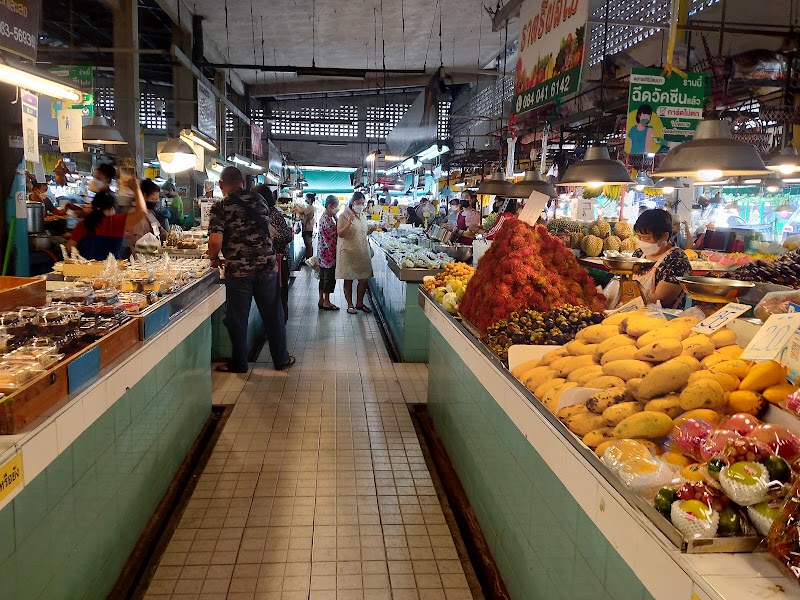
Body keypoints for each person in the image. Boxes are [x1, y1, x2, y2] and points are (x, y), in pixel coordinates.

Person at [208, 167, 295, 373]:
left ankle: (239, 364)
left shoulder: (221, 206)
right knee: (273, 314)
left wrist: (213, 258)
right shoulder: (260, 201)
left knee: (237, 318)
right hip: (267, 266)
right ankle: (281, 359)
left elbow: (215, 240)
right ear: (243, 183)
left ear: (221, 185)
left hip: (239, 271)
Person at [68, 175, 147, 260]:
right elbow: (142, 211)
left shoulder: (82, 224)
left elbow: (70, 247)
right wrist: (136, 189)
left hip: (87, 270)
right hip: (112, 271)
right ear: (111, 208)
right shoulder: (116, 222)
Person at [632, 209, 691, 308]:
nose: (641, 242)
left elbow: (659, 300)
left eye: (646, 238)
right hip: (632, 312)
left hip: (662, 318)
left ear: (664, 236)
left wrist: (628, 296)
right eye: (639, 237)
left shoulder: (677, 259)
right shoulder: (639, 253)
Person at [254, 185, 294, 322]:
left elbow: (287, 236)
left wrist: (271, 240)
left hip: (279, 260)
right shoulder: (263, 213)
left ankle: (280, 323)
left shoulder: (273, 214)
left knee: (279, 295)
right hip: (271, 261)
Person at [336, 191, 374, 314]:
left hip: (362, 252)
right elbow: (341, 234)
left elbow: (361, 232)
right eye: (359, 203)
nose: (361, 205)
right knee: (349, 279)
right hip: (348, 252)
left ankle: (359, 303)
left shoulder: (362, 215)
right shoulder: (344, 215)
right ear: (353, 202)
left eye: (363, 203)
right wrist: (349, 222)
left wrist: (370, 231)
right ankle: (350, 305)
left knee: (364, 279)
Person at [125, 178, 168, 252]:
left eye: (157, 199)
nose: (156, 202)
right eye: (153, 199)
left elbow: (159, 230)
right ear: (144, 196)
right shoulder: (134, 214)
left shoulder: (150, 212)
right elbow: (137, 243)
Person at [317, 195, 340, 311]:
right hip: (329, 255)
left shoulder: (324, 217)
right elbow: (339, 233)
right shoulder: (328, 221)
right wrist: (337, 219)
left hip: (322, 254)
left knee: (322, 278)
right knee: (329, 279)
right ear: (330, 206)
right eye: (336, 207)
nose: (337, 209)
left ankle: (321, 299)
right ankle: (327, 301)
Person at [302, 193, 316, 259]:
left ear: (310, 199)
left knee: (308, 244)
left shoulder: (310, 207)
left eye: (306, 198)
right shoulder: (310, 207)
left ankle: (309, 258)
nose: (306, 200)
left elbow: (303, 212)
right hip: (309, 227)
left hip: (308, 227)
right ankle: (309, 258)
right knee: (308, 244)